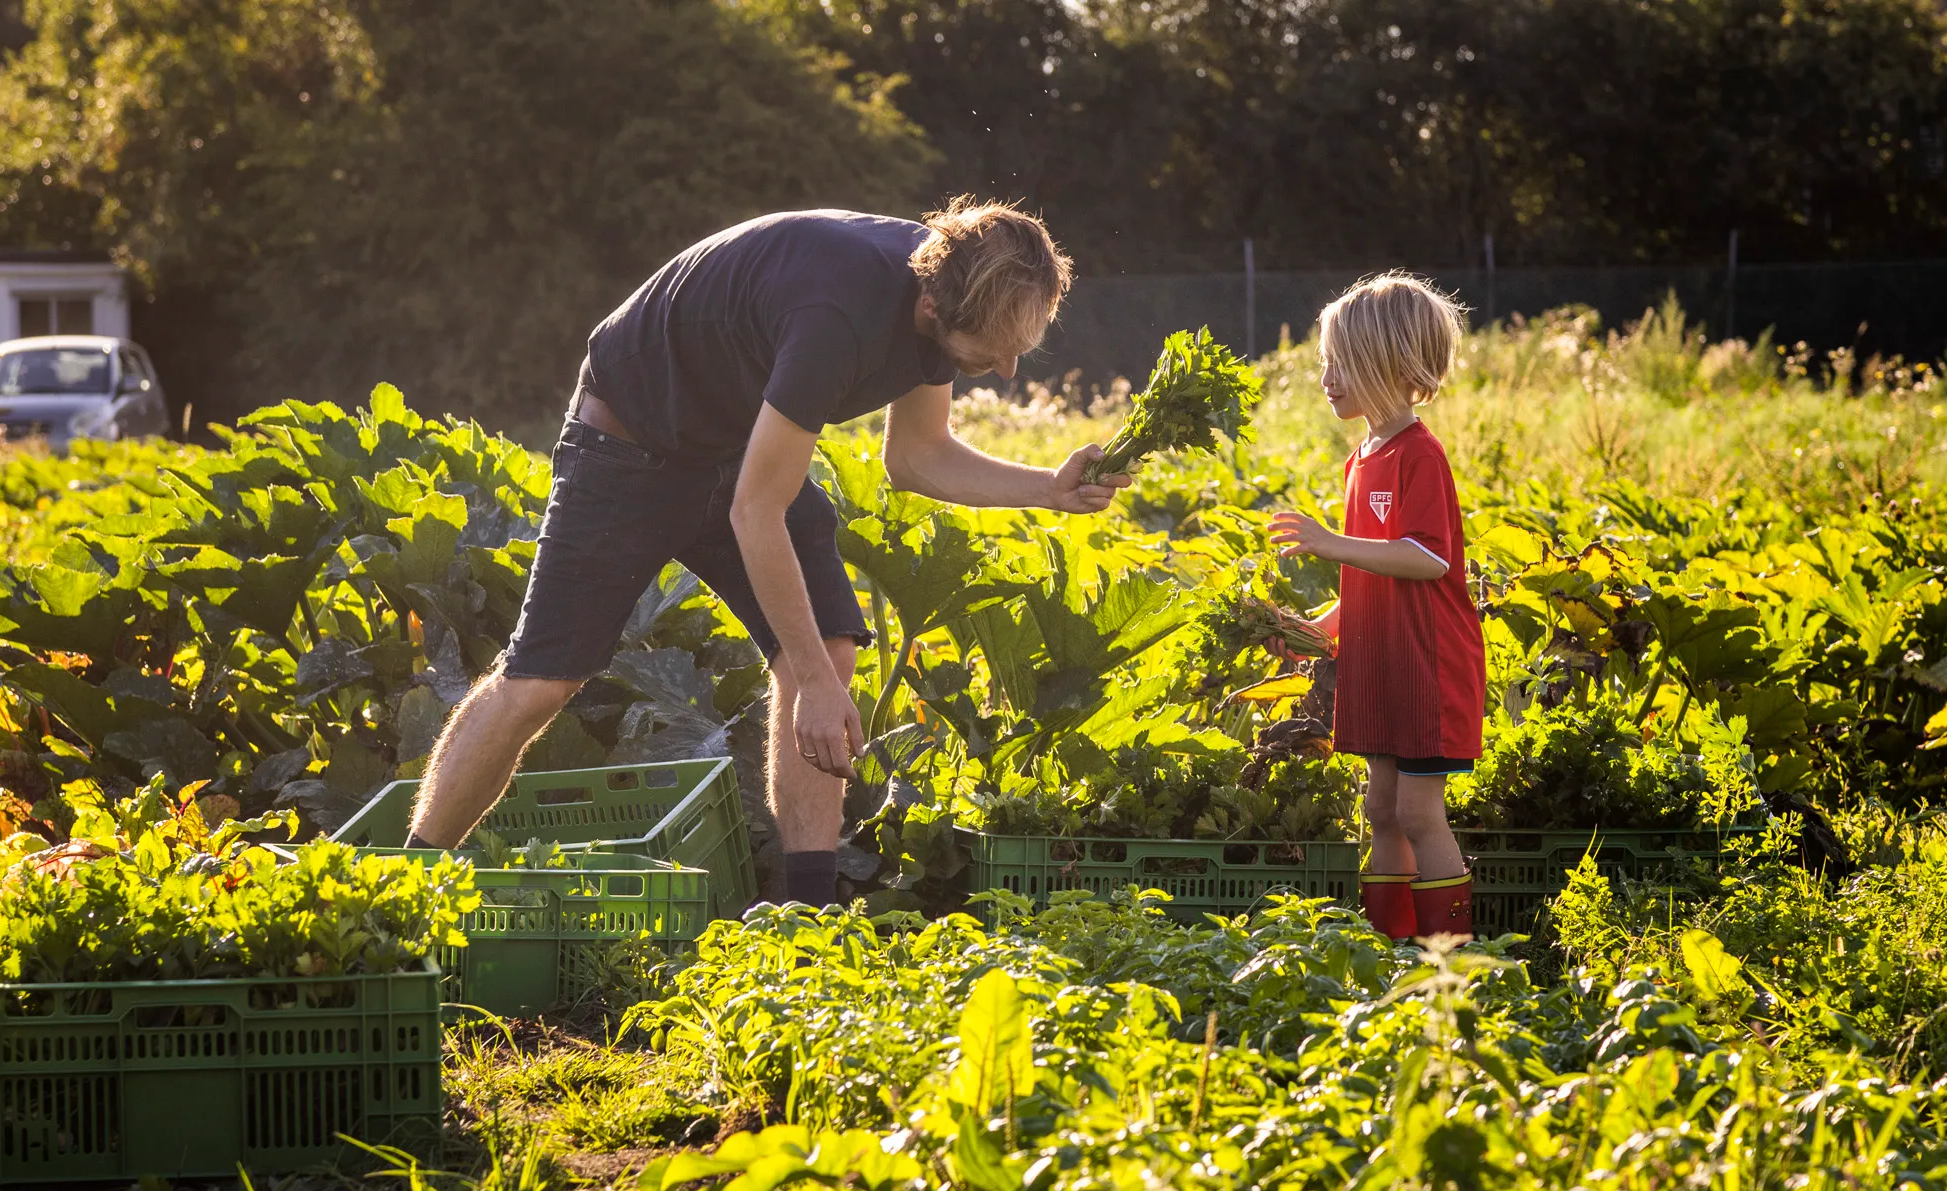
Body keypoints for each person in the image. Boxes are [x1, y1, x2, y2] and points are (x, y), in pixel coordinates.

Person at [405, 200, 1128, 906]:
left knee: (832, 644)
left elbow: (916, 455)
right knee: (539, 682)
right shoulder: (837, 317)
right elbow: (758, 511)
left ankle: (806, 918)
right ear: (937, 309)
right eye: (994, 353)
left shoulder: (952, 288)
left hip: (730, 450)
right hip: (626, 444)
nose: (1005, 371)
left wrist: (1047, 487)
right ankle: (406, 885)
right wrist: (811, 681)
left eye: (1017, 352)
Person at [1266, 273, 1483, 940]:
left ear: (1389, 366)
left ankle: (1453, 961)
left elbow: (1428, 558)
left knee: (1420, 815)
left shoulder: (1421, 455)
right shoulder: (1362, 458)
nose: (1327, 377)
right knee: (1381, 810)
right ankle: (1391, 948)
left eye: (1342, 364)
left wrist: (1332, 542)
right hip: (1386, 667)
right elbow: (1372, 581)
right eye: (1326, 362)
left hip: (1428, 669)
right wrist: (1315, 631)